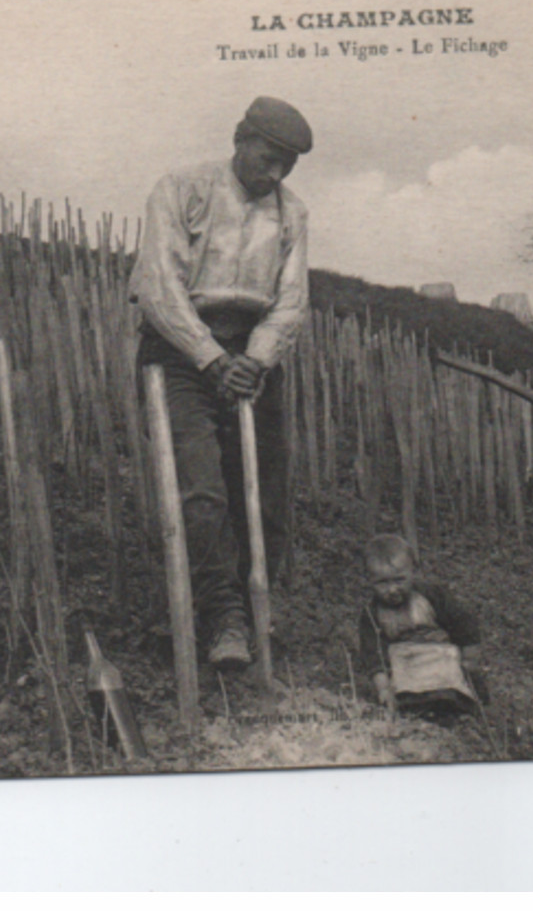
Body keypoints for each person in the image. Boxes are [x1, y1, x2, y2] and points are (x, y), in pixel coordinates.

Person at [132, 96, 312, 669]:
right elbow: (160, 288)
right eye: (268, 157)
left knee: (264, 494)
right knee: (201, 490)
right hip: (183, 349)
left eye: (287, 163)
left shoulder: (292, 213)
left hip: (253, 354)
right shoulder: (182, 189)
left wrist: (254, 360)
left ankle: (257, 608)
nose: (276, 173)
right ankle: (221, 618)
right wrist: (212, 359)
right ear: (240, 140)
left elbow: (291, 301)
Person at [357, 534, 486, 713]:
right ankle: (413, 705)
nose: (392, 589)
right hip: (404, 664)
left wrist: (470, 659)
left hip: (440, 655)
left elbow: (463, 623)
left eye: (399, 580)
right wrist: (384, 688)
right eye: (382, 583)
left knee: (454, 682)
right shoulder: (372, 614)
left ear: (414, 571)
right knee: (405, 694)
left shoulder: (432, 596)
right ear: (369, 580)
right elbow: (373, 654)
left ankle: (459, 705)